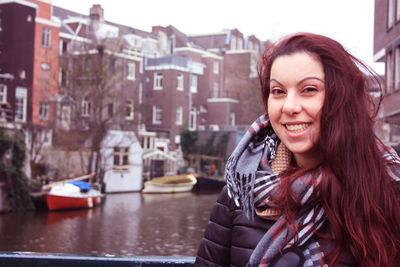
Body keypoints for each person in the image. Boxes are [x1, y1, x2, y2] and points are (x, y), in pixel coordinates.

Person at [195, 33, 400, 267]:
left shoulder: (387, 188)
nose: (290, 106)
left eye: (309, 89)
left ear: (342, 98)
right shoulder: (241, 188)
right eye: (278, 91)